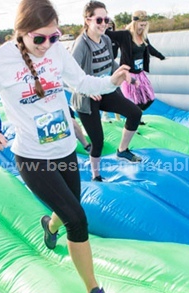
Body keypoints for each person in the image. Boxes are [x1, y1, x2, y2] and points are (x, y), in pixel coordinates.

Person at [0, 0, 132, 293]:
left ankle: (49, 226)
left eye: (54, 36)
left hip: (64, 150)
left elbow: (82, 82)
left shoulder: (56, 51)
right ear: (21, 33)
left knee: (65, 213)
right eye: (40, 38)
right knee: (77, 218)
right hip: (32, 158)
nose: (47, 44)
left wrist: (111, 81)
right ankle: (95, 292)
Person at [71, 1, 143, 181]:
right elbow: (69, 75)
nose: (104, 23)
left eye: (106, 19)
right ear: (88, 20)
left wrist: (125, 73)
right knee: (98, 141)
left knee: (134, 113)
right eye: (99, 19)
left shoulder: (106, 39)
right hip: (87, 97)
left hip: (105, 90)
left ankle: (122, 150)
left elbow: (110, 63)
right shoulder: (81, 45)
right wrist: (87, 91)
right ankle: (96, 175)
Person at [106, 10, 165, 113]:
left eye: (144, 25)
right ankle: (134, 117)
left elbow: (149, 48)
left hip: (140, 73)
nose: (142, 28)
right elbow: (109, 34)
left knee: (149, 98)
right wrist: (103, 22)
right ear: (135, 23)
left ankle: (136, 114)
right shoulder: (125, 35)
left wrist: (161, 56)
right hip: (129, 74)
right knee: (134, 100)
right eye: (141, 25)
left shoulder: (143, 36)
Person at [101, 18, 122, 122]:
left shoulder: (115, 39)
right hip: (103, 68)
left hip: (112, 66)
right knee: (106, 91)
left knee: (116, 91)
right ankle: (105, 114)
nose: (109, 27)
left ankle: (117, 117)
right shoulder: (101, 39)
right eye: (107, 25)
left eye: (111, 26)